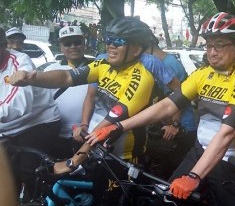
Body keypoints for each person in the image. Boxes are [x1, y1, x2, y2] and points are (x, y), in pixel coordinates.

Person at [86, 12, 235, 205]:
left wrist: (194, 176)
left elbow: (226, 134)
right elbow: (167, 105)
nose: (212, 52)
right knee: (168, 198)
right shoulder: (203, 74)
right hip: (201, 151)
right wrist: (119, 126)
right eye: (209, 45)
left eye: (220, 45)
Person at [9, 17, 157, 205]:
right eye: (108, 39)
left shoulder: (141, 78)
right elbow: (65, 77)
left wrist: (73, 161)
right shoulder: (104, 66)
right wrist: (32, 77)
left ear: (136, 48)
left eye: (118, 41)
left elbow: (109, 124)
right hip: (94, 150)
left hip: (119, 159)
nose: (110, 45)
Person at [0, 27, 61, 199]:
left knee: (29, 175)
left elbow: (20, 104)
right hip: (9, 128)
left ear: (4, 45)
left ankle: (36, 199)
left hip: (39, 123)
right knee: (8, 177)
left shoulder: (20, 61)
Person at [145, 34, 197, 179]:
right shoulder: (162, 61)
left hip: (182, 128)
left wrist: (174, 124)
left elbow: (179, 94)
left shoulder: (168, 63)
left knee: (171, 178)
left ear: (148, 46)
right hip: (172, 126)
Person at [44, 26, 94, 159]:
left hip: (87, 136)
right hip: (56, 135)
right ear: (60, 46)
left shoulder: (97, 68)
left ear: (84, 44)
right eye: (67, 43)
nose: (73, 46)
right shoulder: (51, 70)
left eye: (77, 42)